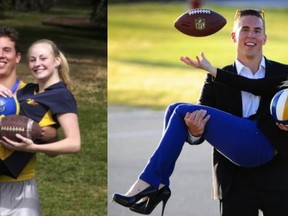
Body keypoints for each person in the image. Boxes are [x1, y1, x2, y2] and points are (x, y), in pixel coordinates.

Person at [112, 9, 288, 216]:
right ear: (234, 36)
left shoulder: (282, 73)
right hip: (234, 180)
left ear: (265, 38)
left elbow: (255, 86)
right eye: (245, 29)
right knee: (175, 111)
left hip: (277, 177)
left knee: (178, 110)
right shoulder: (214, 81)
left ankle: (153, 183)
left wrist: (213, 71)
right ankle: (156, 183)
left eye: (257, 30)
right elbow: (193, 133)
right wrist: (195, 132)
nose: (251, 35)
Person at [0, 37, 81, 216]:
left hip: (16, 181)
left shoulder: (61, 95)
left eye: (43, 58)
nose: (37, 64)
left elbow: (74, 143)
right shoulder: (27, 90)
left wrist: (34, 146)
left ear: (57, 60)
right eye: (32, 59)